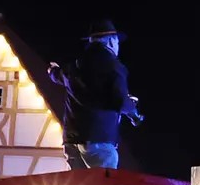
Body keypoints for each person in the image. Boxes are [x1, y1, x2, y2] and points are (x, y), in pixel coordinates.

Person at [48, 19, 141, 169]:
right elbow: (121, 102)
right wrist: (135, 114)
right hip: (99, 140)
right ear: (111, 42)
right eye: (117, 42)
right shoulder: (114, 66)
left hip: (71, 141)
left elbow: (58, 75)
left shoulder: (75, 65)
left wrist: (52, 71)